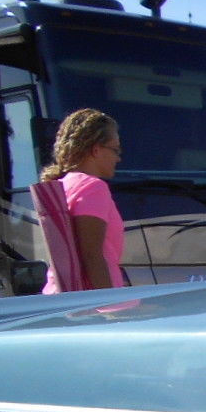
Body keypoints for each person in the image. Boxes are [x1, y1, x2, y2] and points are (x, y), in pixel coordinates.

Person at [35, 109, 126, 291]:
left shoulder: (62, 185)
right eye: (115, 150)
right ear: (96, 149)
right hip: (91, 304)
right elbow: (91, 256)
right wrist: (112, 307)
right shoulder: (92, 187)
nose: (118, 158)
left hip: (64, 297)